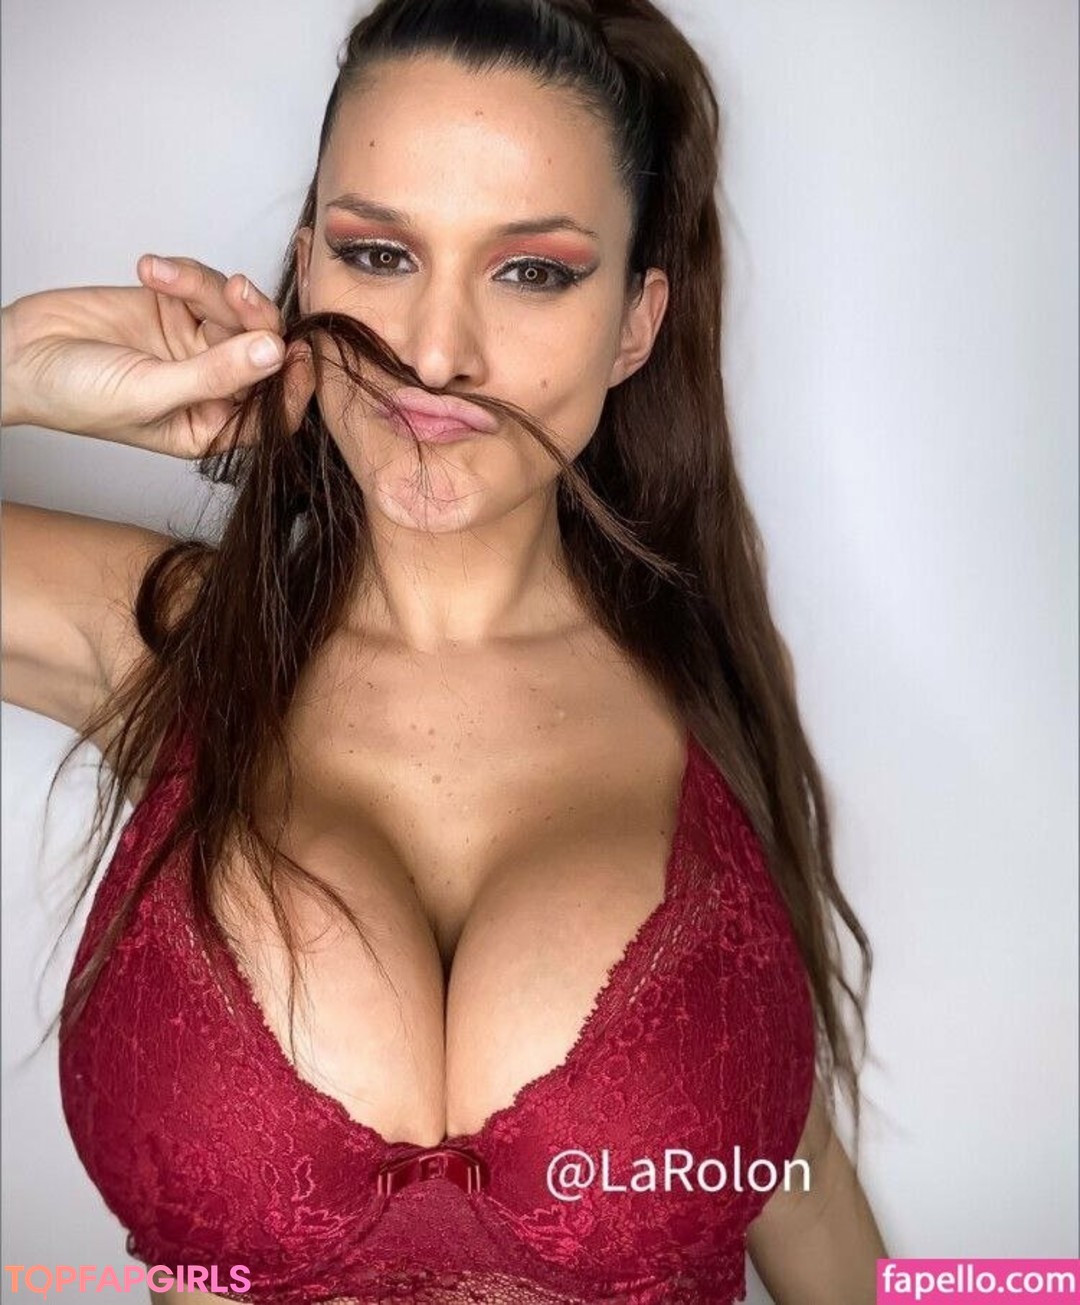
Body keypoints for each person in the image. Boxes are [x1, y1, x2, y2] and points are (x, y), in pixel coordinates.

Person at [1, 1, 887, 1301]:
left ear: (635, 323)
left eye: (532, 272)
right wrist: (14, 365)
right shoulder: (163, 642)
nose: (433, 354)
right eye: (378, 254)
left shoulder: (714, 686)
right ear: (304, 277)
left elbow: (794, 1178)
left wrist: (1022, 1286)